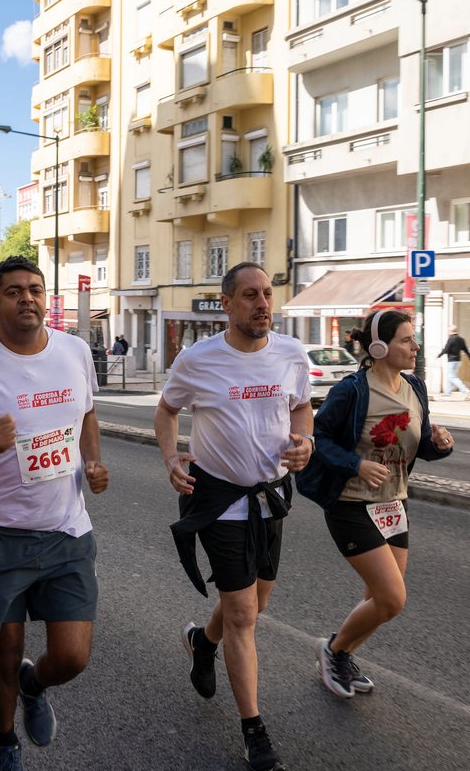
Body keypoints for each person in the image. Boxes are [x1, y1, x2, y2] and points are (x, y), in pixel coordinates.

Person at [0, 256, 108, 771]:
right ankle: (4, 740)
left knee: (73, 657)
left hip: (66, 530)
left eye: (35, 289)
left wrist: (92, 460)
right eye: (14, 291)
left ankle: (36, 685)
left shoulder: (75, 351)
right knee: (3, 655)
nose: (27, 298)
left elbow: (88, 411)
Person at [153, 262, 312, 771]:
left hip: (270, 497)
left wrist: (304, 440)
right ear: (227, 303)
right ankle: (254, 730)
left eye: (267, 294)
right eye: (250, 295)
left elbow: (302, 407)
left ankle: (204, 642)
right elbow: (166, 410)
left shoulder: (291, 354)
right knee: (244, 613)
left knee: (254, 603)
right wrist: (170, 456)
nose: (262, 303)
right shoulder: (198, 359)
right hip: (219, 499)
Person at [296, 309, 454, 700]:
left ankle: (342, 653)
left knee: (379, 600)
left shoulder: (415, 387)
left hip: (393, 505)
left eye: (413, 339)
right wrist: (356, 464)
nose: (415, 346)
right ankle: (333, 650)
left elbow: (415, 446)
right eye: (406, 340)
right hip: (351, 505)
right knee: (392, 598)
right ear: (380, 347)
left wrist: (439, 446)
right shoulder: (352, 390)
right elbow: (320, 439)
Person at [437, 324, 470, 400]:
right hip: (458, 361)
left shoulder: (451, 339)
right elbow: (466, 350)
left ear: (451, 331)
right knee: (450, 377)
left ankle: (465, 390)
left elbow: (446, 349)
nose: (447, 332)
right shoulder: (461, 339)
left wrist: (439, 355)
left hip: (452, 361)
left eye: (448, 330)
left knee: (453, 377)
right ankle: (448, 394)